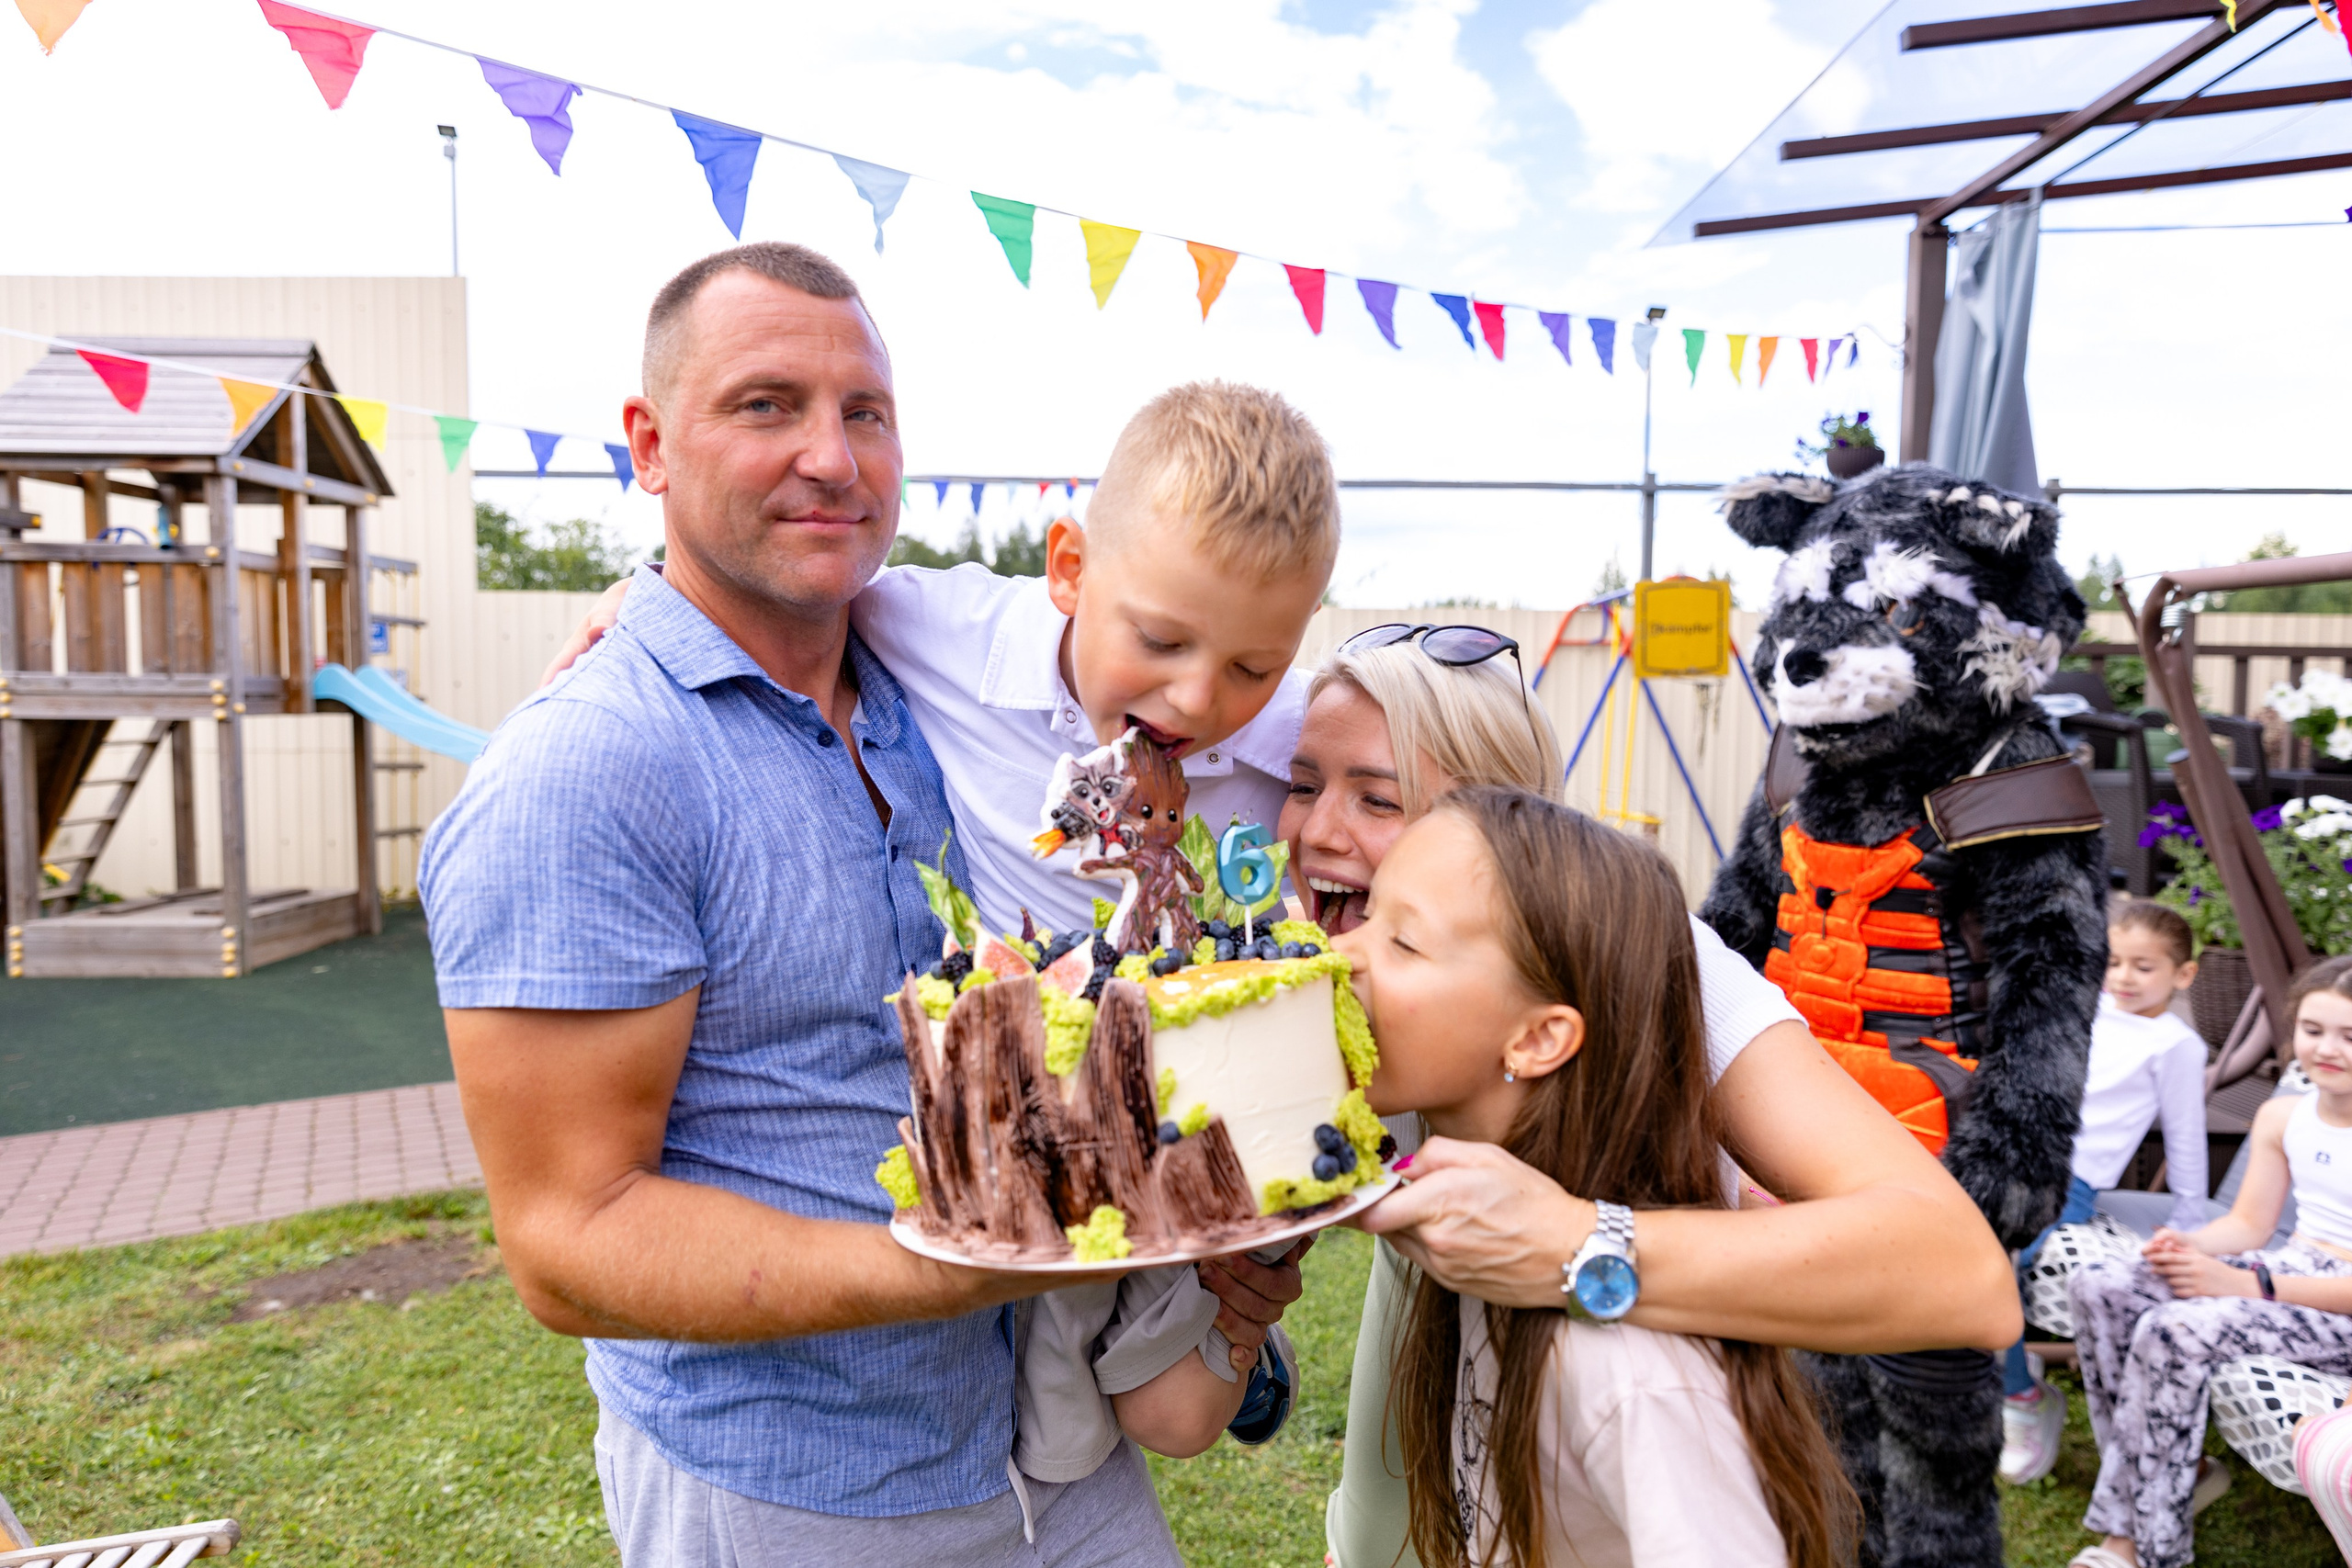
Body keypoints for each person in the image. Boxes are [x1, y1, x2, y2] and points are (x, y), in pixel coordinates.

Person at [424, 243, 1288, 1567]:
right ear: (650, 446)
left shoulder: (923, 683)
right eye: (767, 404)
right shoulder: (586, 767)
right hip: (800, 1487)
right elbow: (567, 1235)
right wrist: (966, 1260)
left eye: (864, 412)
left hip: (1050, 1448)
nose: (832, 455)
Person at [1295, 627, 2020, 1567]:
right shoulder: (1326, 954)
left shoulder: (1644, 964)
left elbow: (1960, 1274)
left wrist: (1573, 1245)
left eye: (1377, 799)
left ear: (1504, 820)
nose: (1313, 830)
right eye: (1301, 783)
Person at [1330, 786, 1859, 1568]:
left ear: (1540, 1037)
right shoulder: (1495, 1233)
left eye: (1403, 943)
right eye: (1369, 916)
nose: (1342, 955)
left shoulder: (1630, 1368)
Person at [2064, 955, 2352, 1568]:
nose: (2327, 1049)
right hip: (2286, 1265)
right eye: (2313, 1029)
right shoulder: (2285, 1114)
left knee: (2177, 1328)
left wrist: (2247, 1282)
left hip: (2335, 1306)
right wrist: (2187, 1246)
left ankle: (2140, 1544)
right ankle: (2180, 1471)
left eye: (2349, 1035)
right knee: (2104, 1287)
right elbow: (2249, 1223)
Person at [2001, 900, 2208, 1485]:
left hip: (2070, 1182)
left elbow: (2186, 1135)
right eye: (2113, 962)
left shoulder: (2174, 1045)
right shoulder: (2082, 1011)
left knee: (2001, 1257)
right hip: (2015, 1156)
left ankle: (2020, 1398)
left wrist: (2190, 1220)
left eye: (2143, 967)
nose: (2123, 977)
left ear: (2182, 975)